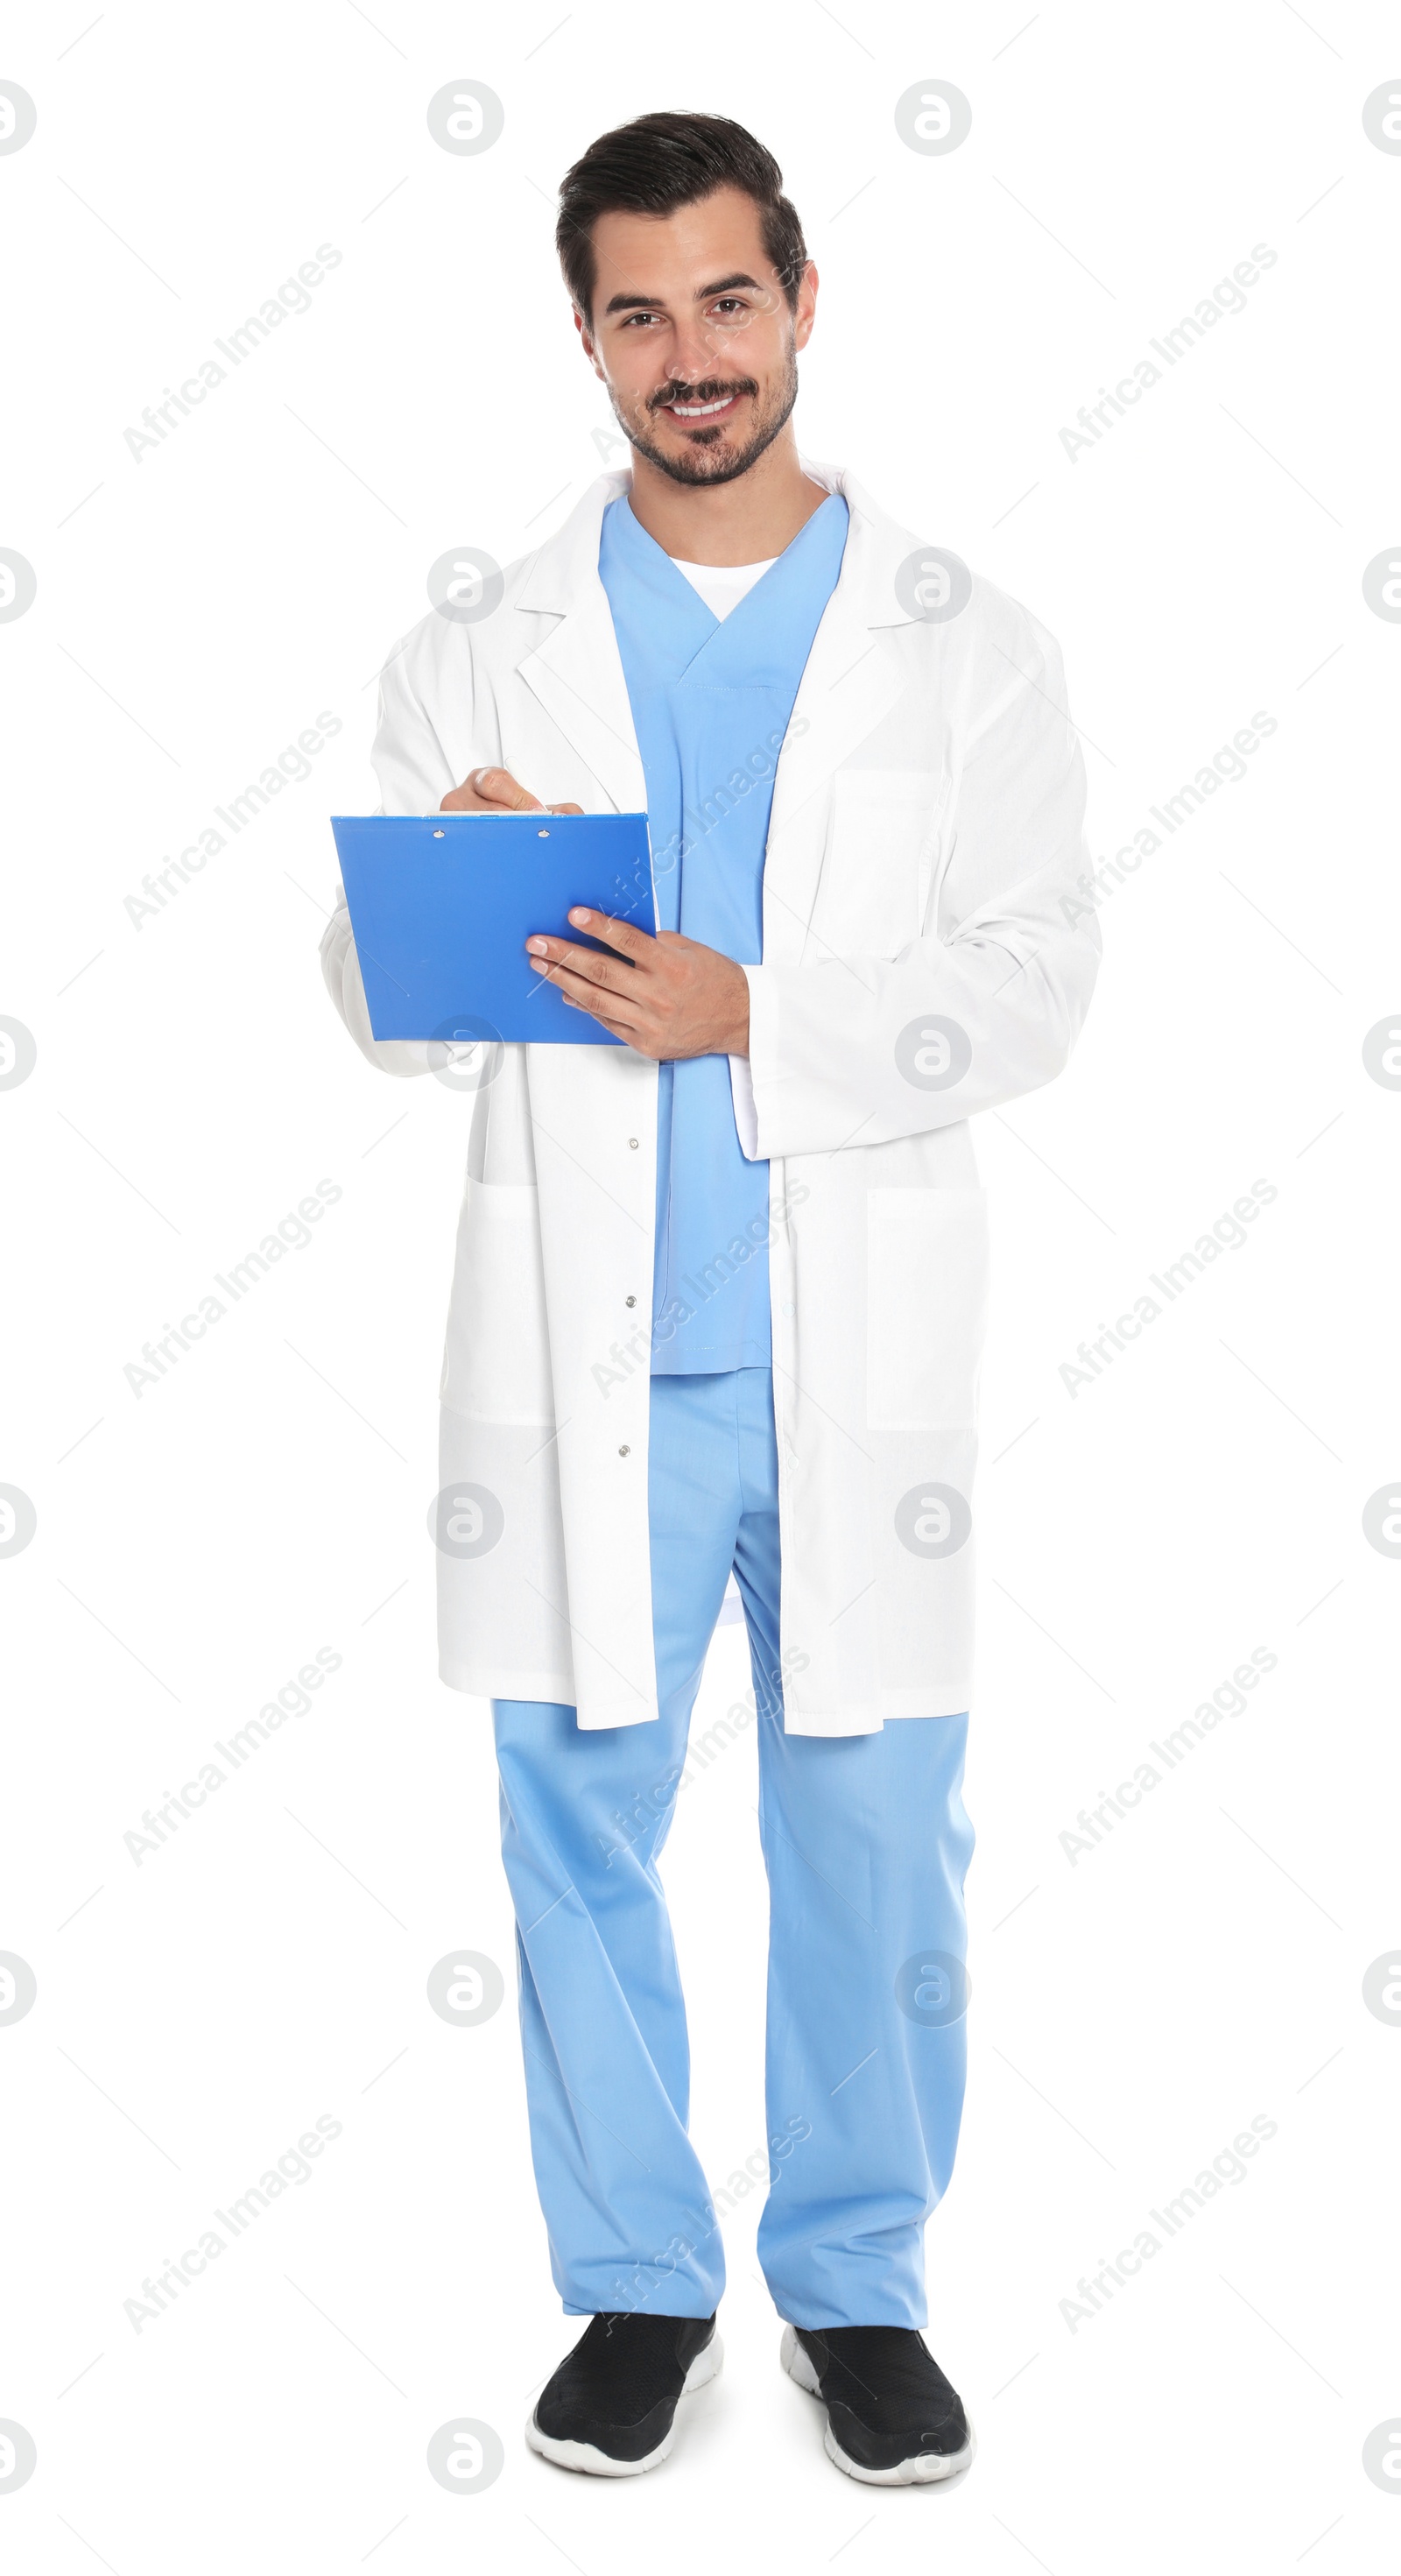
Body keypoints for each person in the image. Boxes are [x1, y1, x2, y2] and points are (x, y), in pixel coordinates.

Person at [320, 109, 1100, 2485]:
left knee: (876, 1841)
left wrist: (755, 1008)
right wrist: (432, 903)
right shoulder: (478, 642)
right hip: (582, 1362)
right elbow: (389, 1005)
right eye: (638, 311)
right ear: (586, 335)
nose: (689, 355)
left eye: (727, 300)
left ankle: (857, 2294)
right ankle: (642, 2286)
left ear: (803, 302)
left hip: (848, 1366)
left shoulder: (965, 645)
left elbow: (1040, 986)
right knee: (573, 1827)